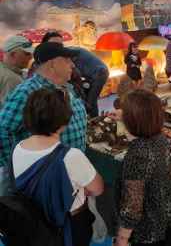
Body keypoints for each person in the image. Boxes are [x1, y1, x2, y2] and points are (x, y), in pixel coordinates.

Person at [11, 88, 104, 246]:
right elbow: (97, 188)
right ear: (63, 122)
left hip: (33, 223)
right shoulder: (71, 156)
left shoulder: (17, 148)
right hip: (67, 225)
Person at [0, 42, 87, 196]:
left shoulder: (66, 87)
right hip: (43, 182)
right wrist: (15, 167)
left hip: (67, 176)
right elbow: (3, 130)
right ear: (52, 64)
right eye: (67, 60)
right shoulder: (27, 91)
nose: (72, 65)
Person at [114, 89, 171, 246]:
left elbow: (133, 204)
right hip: (163, 214)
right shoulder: (160, 138)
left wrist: (122, 238)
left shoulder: (137, 153)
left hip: (146, 229)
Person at [37, 32, 109, 117]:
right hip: (96, 74)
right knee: (90, 100)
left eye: (61, 45)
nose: (71, 64)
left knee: (91, 101)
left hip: (99, 73)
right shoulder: (35, 85)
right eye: (55, 45)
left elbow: (75, 74)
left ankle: (93, 121)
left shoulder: (69, 56)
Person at [0, 36, 34, 107]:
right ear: (13, 54)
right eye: (27, 54)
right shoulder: (12, 79)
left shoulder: (5, 70)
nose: (31, 57)